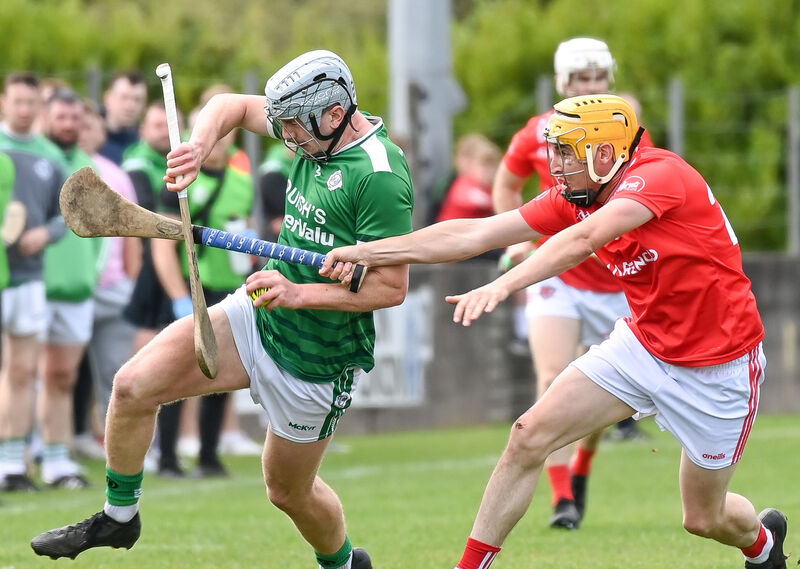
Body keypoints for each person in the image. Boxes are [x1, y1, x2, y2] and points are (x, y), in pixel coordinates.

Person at [319, 94, 787, 569]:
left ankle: (763, 544)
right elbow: (474, 234)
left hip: (720, 367)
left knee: (704, 518)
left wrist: (502, 284)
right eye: (555, 150)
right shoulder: (578, 194)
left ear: (605, 154)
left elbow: (583, 240)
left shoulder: (660, 176)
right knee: (527, 435)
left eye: (567, 152)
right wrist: (372, 252)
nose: (556, 165)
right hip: (644, 347)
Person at [31, 49, 413, 569]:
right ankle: (119, 517)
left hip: (317, 358)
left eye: (296, 130)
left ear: (335, 113)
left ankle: (345, 564)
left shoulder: (380, 177)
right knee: (132, 386)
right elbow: (229, 104)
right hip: (258, 314)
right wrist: (198, 146)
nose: (288, 141)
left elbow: (390, 287)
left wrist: (300, 292)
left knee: (287, 492)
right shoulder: (312, 125)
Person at [492, 37, 649, 529]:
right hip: (558, 272)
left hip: (616, 278)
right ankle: (562, 500)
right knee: (552, 377)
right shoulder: (540, 131)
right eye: (581, 80)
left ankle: (579, 470)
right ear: (563, 84)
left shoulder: (625, 123)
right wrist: (515, 240)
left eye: (598, 78)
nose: (591, 87)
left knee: (601, 394)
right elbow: (506, 186)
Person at [150, 111, 254, 479]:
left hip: (229, 286)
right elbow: (162, 246)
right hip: (191, 285)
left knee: (221, 370)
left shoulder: (244, 182)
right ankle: (167, 458)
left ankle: (209, 455)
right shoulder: (180, 182)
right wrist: (179, 295)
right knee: (175, 371)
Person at [40, 87, 105, 488]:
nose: (67, 125)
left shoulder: (88, 167)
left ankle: (56, 457)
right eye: (60, 117)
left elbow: (99, 233)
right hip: (34, 284)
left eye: (74, 119)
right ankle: (16, 455)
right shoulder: (36, 159)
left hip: (77, 289)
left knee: (62, 376)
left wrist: (92, 274)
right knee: (23, 372)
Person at [72, 99, 141, 458]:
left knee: (116, 373)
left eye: (94, 125)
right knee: (63, 371)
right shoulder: (61, 168)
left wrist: (130, 281)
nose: (87, 131)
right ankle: (64, 439)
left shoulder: (116, 174)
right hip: (73, 289)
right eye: (81, 125)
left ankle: (117, 447)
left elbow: (130, 234)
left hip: (113, 287)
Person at [0, 149, 65, 491]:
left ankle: (12, 464)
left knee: (23, 370)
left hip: (27, 278)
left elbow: (63, 215)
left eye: (30, 101)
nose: (24, 108)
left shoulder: (47, 158)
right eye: (18, 100)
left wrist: (46, 234)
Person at [99, 71, 148, 165]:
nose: (130, 105)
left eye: (137, 100)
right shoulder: (88, 136)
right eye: (124, 97)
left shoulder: (144, 142)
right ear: (107, 98)